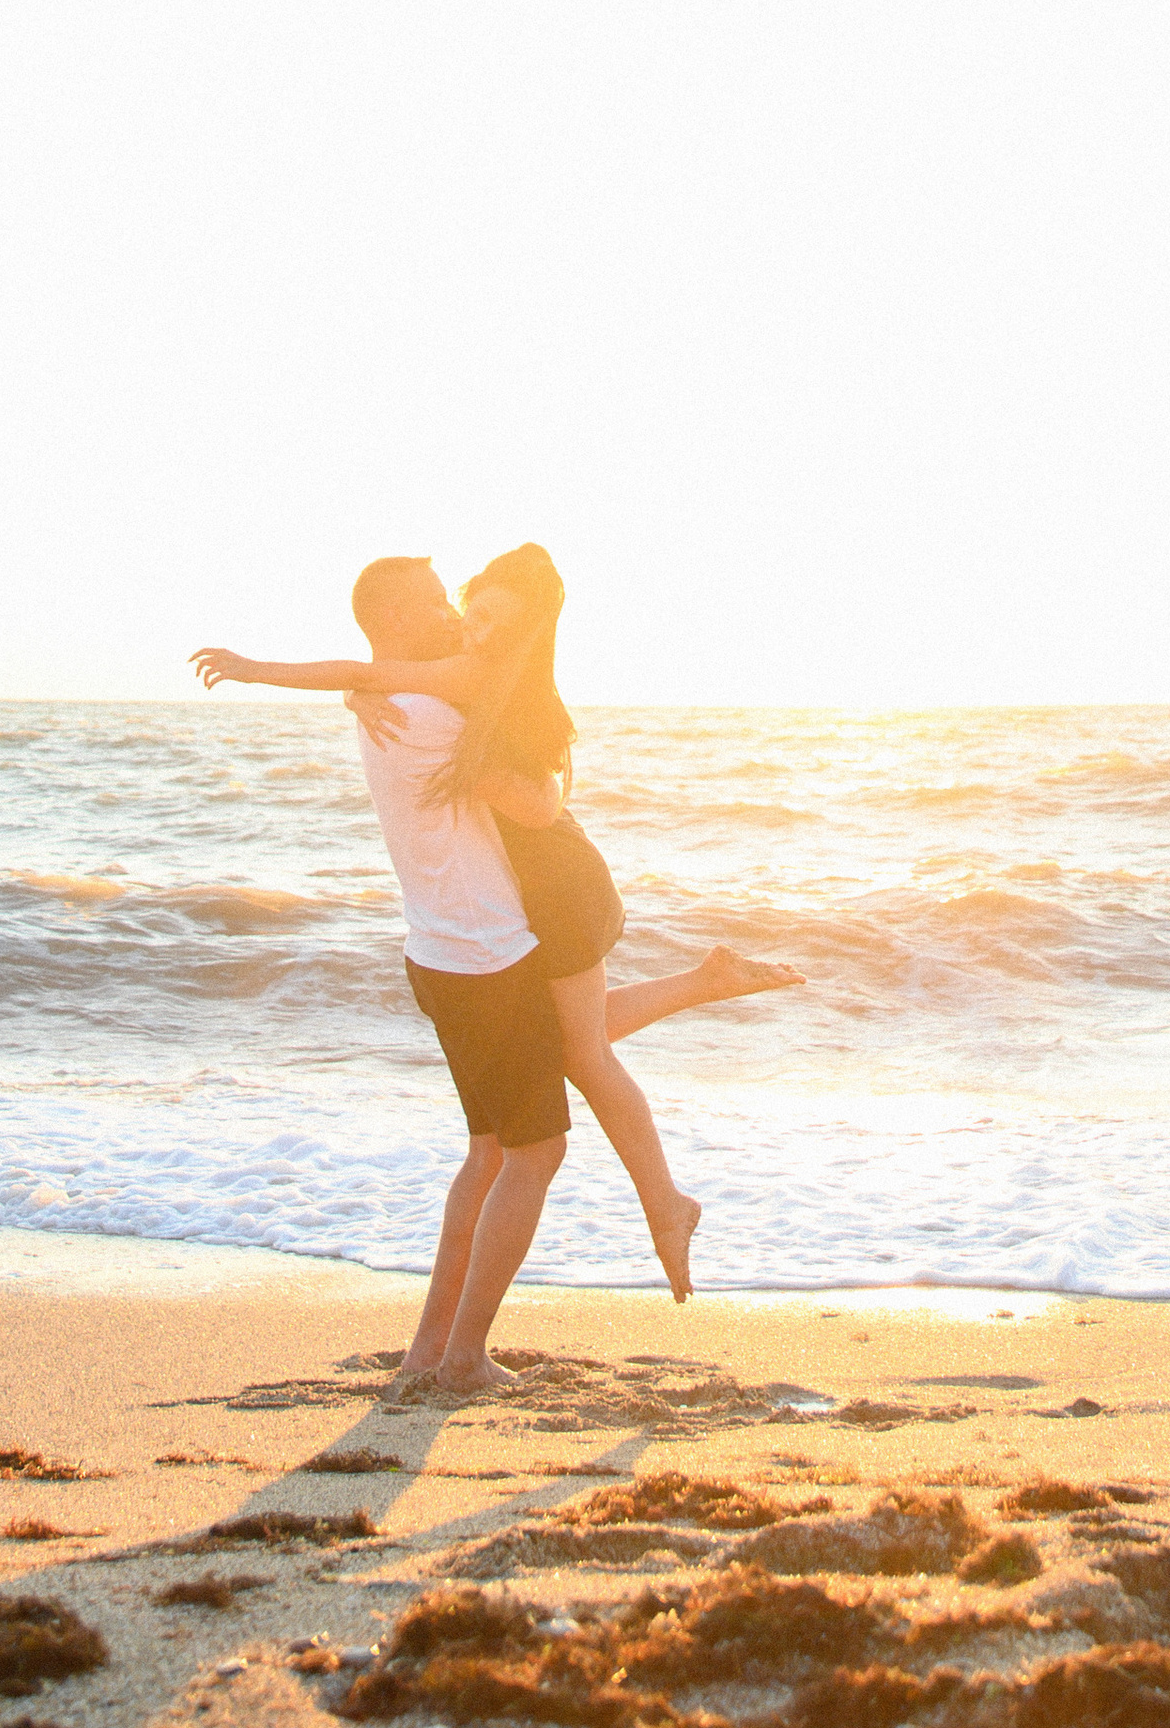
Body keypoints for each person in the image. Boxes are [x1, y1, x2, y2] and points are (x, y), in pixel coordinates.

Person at [193, 546, 795, 1338]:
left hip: (555, 892)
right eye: (459, 605)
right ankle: (698, 1005)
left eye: (479, 616)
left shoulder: (475, 686)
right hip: (504, 912)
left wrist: (333, 683)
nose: (460, 621)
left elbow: (541, 802)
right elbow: (371, 668)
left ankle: (661, 1203)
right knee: (564, 1052)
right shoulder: (445, 676)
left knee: (575, 1057)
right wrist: (319, 681)